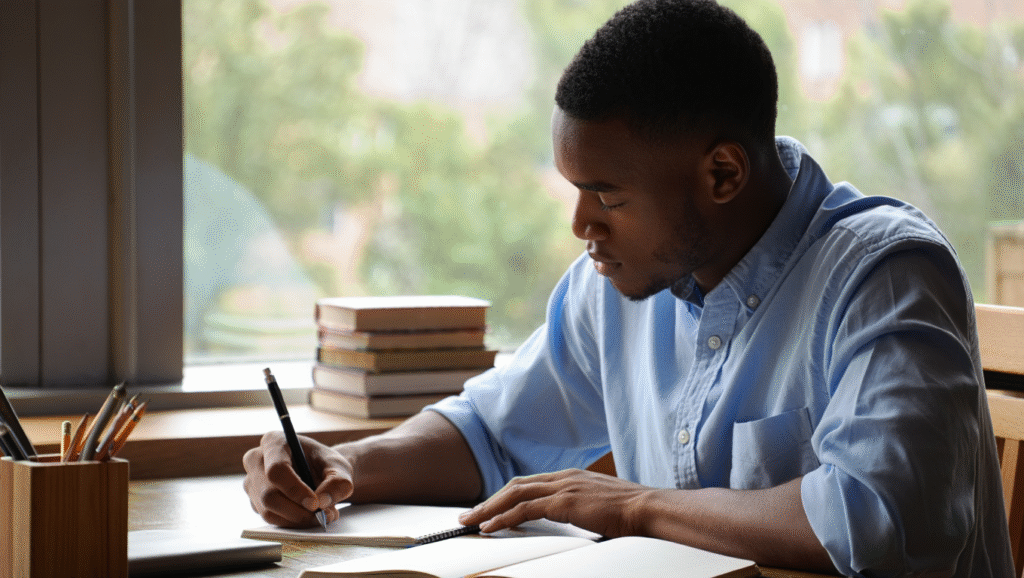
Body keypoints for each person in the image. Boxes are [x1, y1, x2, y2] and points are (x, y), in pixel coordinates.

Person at [243, 1, 1014, 575]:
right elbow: (492, 434)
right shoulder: (612, 286)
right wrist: (347, 463)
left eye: (607, 197)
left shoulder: (883, 276)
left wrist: (636, 506)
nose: (582, 224)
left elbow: (877, 523)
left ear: (722, 173)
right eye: (575, 191)